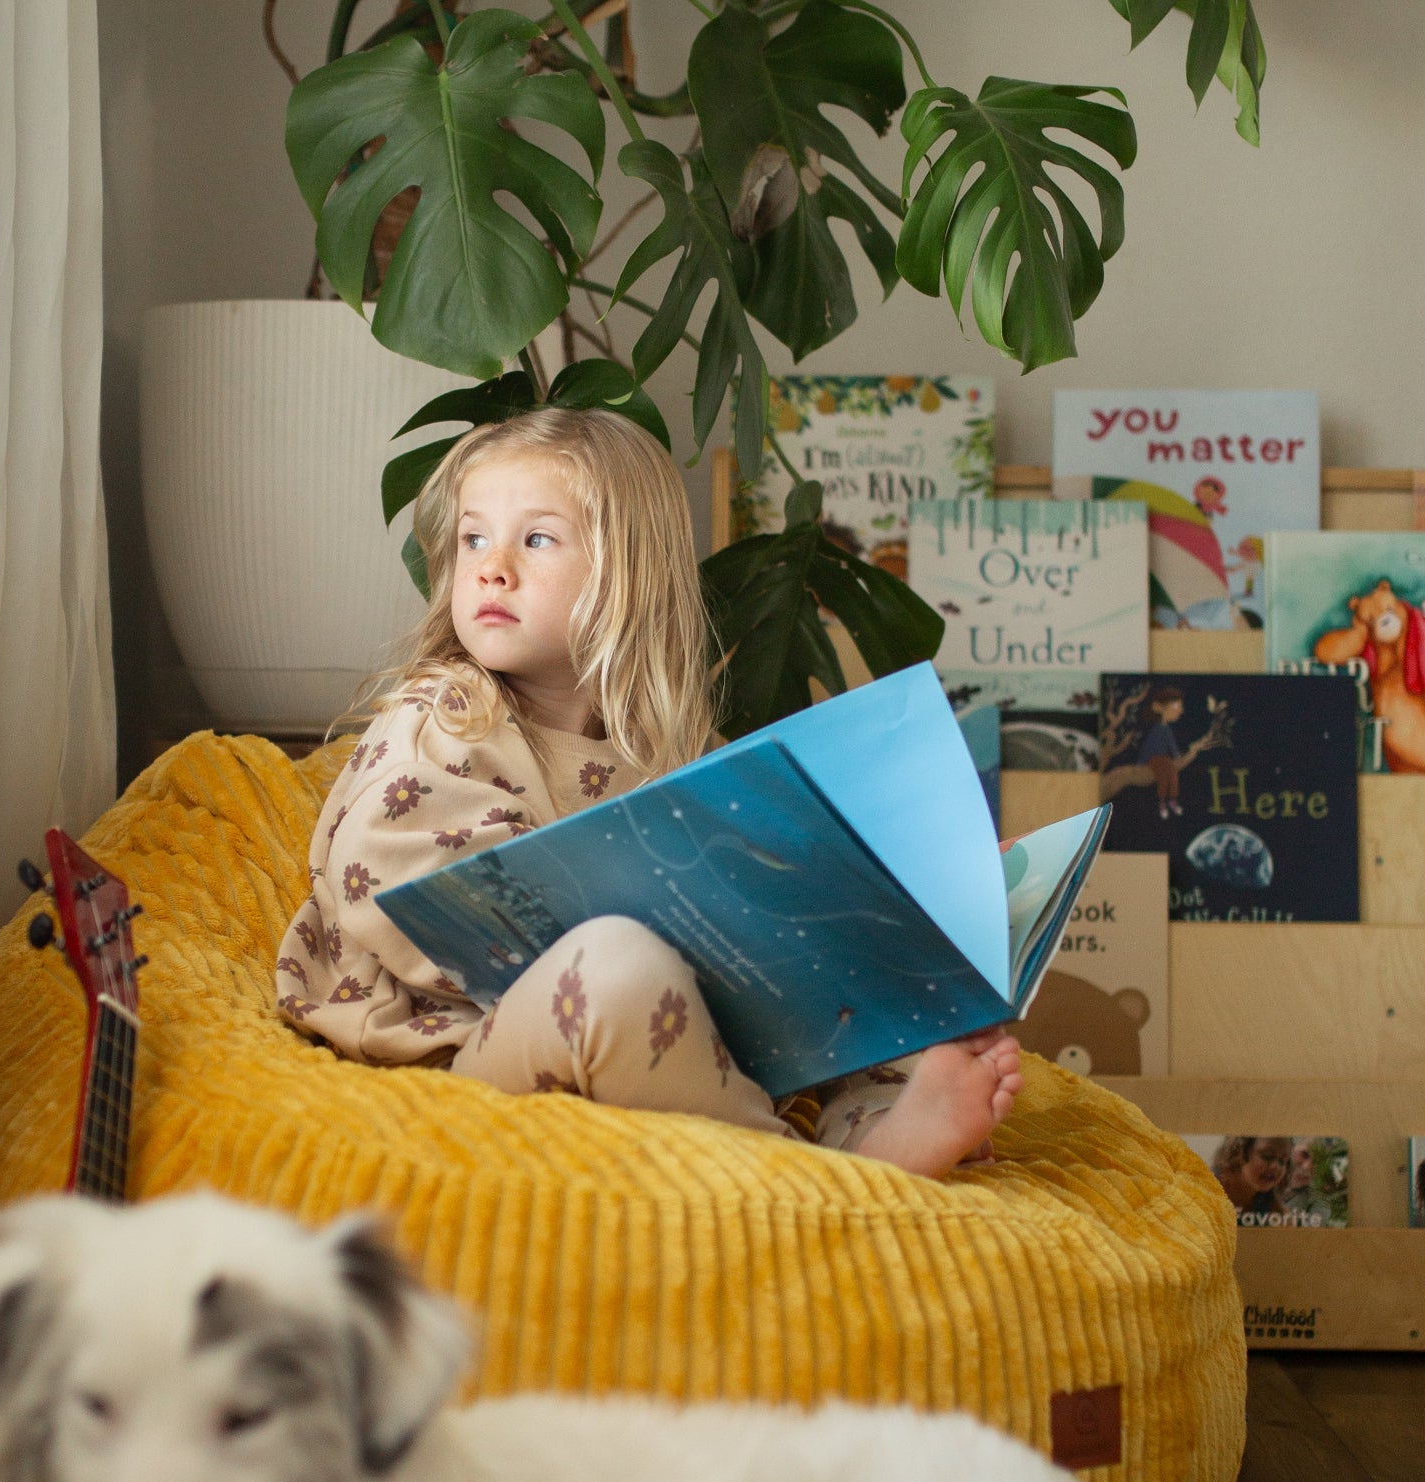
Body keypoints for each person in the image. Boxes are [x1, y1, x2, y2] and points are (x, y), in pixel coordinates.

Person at [273, 408, 1023, 1179]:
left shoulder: (672, 755)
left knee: (869, 988)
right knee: (614, 966)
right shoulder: (446, 716)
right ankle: (809, 1176)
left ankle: (892, 1128)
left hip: (667, 1045)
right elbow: (399, 894)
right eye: (473, 538)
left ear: (628, 573)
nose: (491, 566)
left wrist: (912, 914)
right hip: (466, 1052)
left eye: (536, 539)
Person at [1210, 1135, 1292, 1221]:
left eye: (1282, 1161)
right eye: (1267, 1156)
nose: (1276, 1167)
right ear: (1239, 1152)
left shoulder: (1269, 1201)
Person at [1136, 683, 1188, 818]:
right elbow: (1147, 747)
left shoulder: (1167, 730)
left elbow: (1172, 746)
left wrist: (1176, 755)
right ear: (1160, 707)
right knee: (1164, 777)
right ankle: (1162, 802)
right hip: (1156, 759)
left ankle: (1172, 800)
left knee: (1173, 775)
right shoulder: (1156, 730)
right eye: (1177, 706)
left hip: (1165, 759)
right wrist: (1142, 762)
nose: (1180, 711)